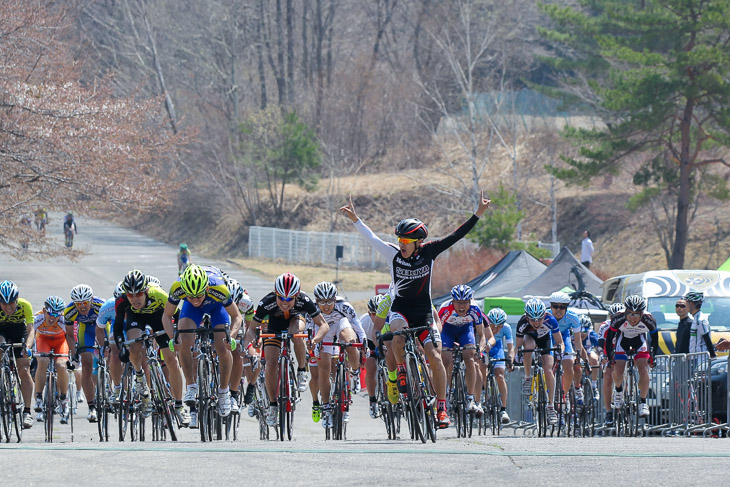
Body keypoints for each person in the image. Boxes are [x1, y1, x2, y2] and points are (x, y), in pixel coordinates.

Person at [340, 191, 492, 428]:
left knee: (435, 355)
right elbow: (371, 239)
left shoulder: (430, 252)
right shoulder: (393, 255)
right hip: (400, 309)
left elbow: (456, 235)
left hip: (423, 311)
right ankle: (401, 370)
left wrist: (478, 214)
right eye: (400, 240)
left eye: (406, 242)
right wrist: (355, 219)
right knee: (398, 334)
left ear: (417, 242)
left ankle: (441, 408)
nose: (401, 245)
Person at [246, 272, 329, 427]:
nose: (285, 302)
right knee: (271, 364)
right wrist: (251, 342)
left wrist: (315, 339)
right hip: (274, 325)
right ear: (275, 294)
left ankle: (302, 371)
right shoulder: (266, 302)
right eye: (281, 298)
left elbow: (324, 325)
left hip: (296, 321)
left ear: (296, 296)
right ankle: (273, 406)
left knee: (296, 334)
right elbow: (251, 329)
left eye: (289, 299)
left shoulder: (304, 300)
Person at [163, 264, 242, 418]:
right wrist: (173, 337)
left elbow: (237, 316)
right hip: (191, 312)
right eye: (190, 296)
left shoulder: (219, 288)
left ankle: (224, 392)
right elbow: (166, 316)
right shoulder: (177, 287)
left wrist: (231, 336)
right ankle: (191, 386)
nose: (195, 300)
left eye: (199, 296)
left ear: (206, 289)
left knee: (222, 347)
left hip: (216, 307)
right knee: (184, 341)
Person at [117, 269, 189, 425]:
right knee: (134, 346)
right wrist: (121, 346)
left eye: (139, 294)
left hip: (159, 319)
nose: (135, 299)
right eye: (130, 295)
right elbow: (117, 327)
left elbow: (177, 316)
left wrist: (177, 338)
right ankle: (140, 377)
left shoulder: (159, 294)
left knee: (172, 361)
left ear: (147, 290)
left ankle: (179, 406)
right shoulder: (123, 301)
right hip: (136, 319)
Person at [307, 281, 366, 428]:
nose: (326, 306)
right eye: (321, 302)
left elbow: (358, 328)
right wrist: (312, 345)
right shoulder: (311, 310)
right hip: (322, 332)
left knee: (350, 341)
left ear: (335, 299)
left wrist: (364, 343)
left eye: (329, 301)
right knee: (323, 369)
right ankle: (326, 407)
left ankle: (355, 372)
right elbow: (309, 333)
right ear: (316, 300)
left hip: (340, 326)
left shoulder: (344, 306)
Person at [438, 284, 489, 416]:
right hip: (447, 331)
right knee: (446, 359)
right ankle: (447, 392)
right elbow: (438, 332)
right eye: (458, 303)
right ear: (453, 301)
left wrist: (480, 350)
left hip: (465, 330)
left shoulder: (475, 309)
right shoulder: (444, 309)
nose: (461, 306)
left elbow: (482, 336)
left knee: (470, 358)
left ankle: (470, 398)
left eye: (465, 303)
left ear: (470, 301)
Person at [605, 295, 658, 418]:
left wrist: (652, 357)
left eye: (636, 314)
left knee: (644, 369)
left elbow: (655, 340)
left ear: (642, 313)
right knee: (618, 371)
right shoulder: (618, 317)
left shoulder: (649, 319)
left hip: (639, 340)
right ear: (625, 311)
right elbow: (609, 339)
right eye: (629, 313)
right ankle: (618, 391)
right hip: (622, 340)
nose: (632, 317)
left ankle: (643, 402)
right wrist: (610, 358)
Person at [515, 298, 564, 425]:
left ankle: (551, 406)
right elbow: (518, 345)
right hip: (529, 338)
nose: (536, 323)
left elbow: (560, 342)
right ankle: (527, 377)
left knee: (548, 369)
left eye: (539, 319)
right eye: (532, 319)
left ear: (544, 316)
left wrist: (561, 351)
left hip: (544, 339)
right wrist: (517, 354)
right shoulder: (522, 323)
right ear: (527, 317)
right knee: (528, 347)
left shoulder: (551, 320)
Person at [63, 284, 105, 423]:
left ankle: (112, 390)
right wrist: (74, 354)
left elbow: (111, 323)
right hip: (85, 330)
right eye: (78, 304)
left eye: (85, 303)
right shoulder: (69, 311)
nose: (82, 306)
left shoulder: (101, 305)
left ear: (91, 300)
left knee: (109, 353)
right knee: (86, 365)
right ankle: (92, 406)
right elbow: (69, 335)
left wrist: (109, 345)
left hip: (102, 326)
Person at [0, 280, 35, 429]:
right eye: (4, 304)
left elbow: (31, 330)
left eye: (12, 303)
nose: (8, 307)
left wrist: (27, 347)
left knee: (24, 369)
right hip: (1, 330)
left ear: (17, 299)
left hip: (19, 332)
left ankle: (27, 411)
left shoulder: (25, 305)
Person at [33, 296, 72, 423]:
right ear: (44, 310)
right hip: (43, 340)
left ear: (60, 313)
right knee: (42, 361)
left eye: (56, 314)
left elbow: (72, 337)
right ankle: (39, 397)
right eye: (49, 313)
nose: (52, 317)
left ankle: (63, 398)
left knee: (61, 365)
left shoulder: (63, 320)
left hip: (61, 341)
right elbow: (29, 334)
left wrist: (75, 353)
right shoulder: (37, 318)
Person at [547, 291, 585, 410]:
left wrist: (578, 356)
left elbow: (578, 341)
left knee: (569, 365)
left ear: (566, 307)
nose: (558, 310)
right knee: (547, 362)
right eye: (555, 306)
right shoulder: (546, 315)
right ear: (551, 306)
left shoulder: (573, 317)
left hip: (564, 337)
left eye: (562, 307)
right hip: (549, 336)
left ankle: (565, 394)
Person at [484, 307, 514, 424]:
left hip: (497, 350)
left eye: (499, 326)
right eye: (493, 325)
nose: (495, 329)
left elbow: (511, 348)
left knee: (500, 376)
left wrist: (510, 360)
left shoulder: (506, 328)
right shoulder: (484, 325)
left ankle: (503, 409)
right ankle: (484, 396)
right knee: (483, 372)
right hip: (485, 349)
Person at [598, 302, 624, 425]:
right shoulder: (605, 326)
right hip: (609, 353)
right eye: (614, 317)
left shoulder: (627, 325)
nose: (616, 320)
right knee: (608, 377)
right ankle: (608, 411)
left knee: (624, 373)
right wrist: (604, 357)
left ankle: (627, 397)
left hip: (622, 352)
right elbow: (601, 344)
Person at [684, 291, 717, 359]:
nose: (685, 306)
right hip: (694, 358)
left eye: (686, 303)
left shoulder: (700, 320)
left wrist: (712, 355)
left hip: (701, 359)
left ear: (692, 304)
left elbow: (706, 338)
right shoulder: (695, 318)